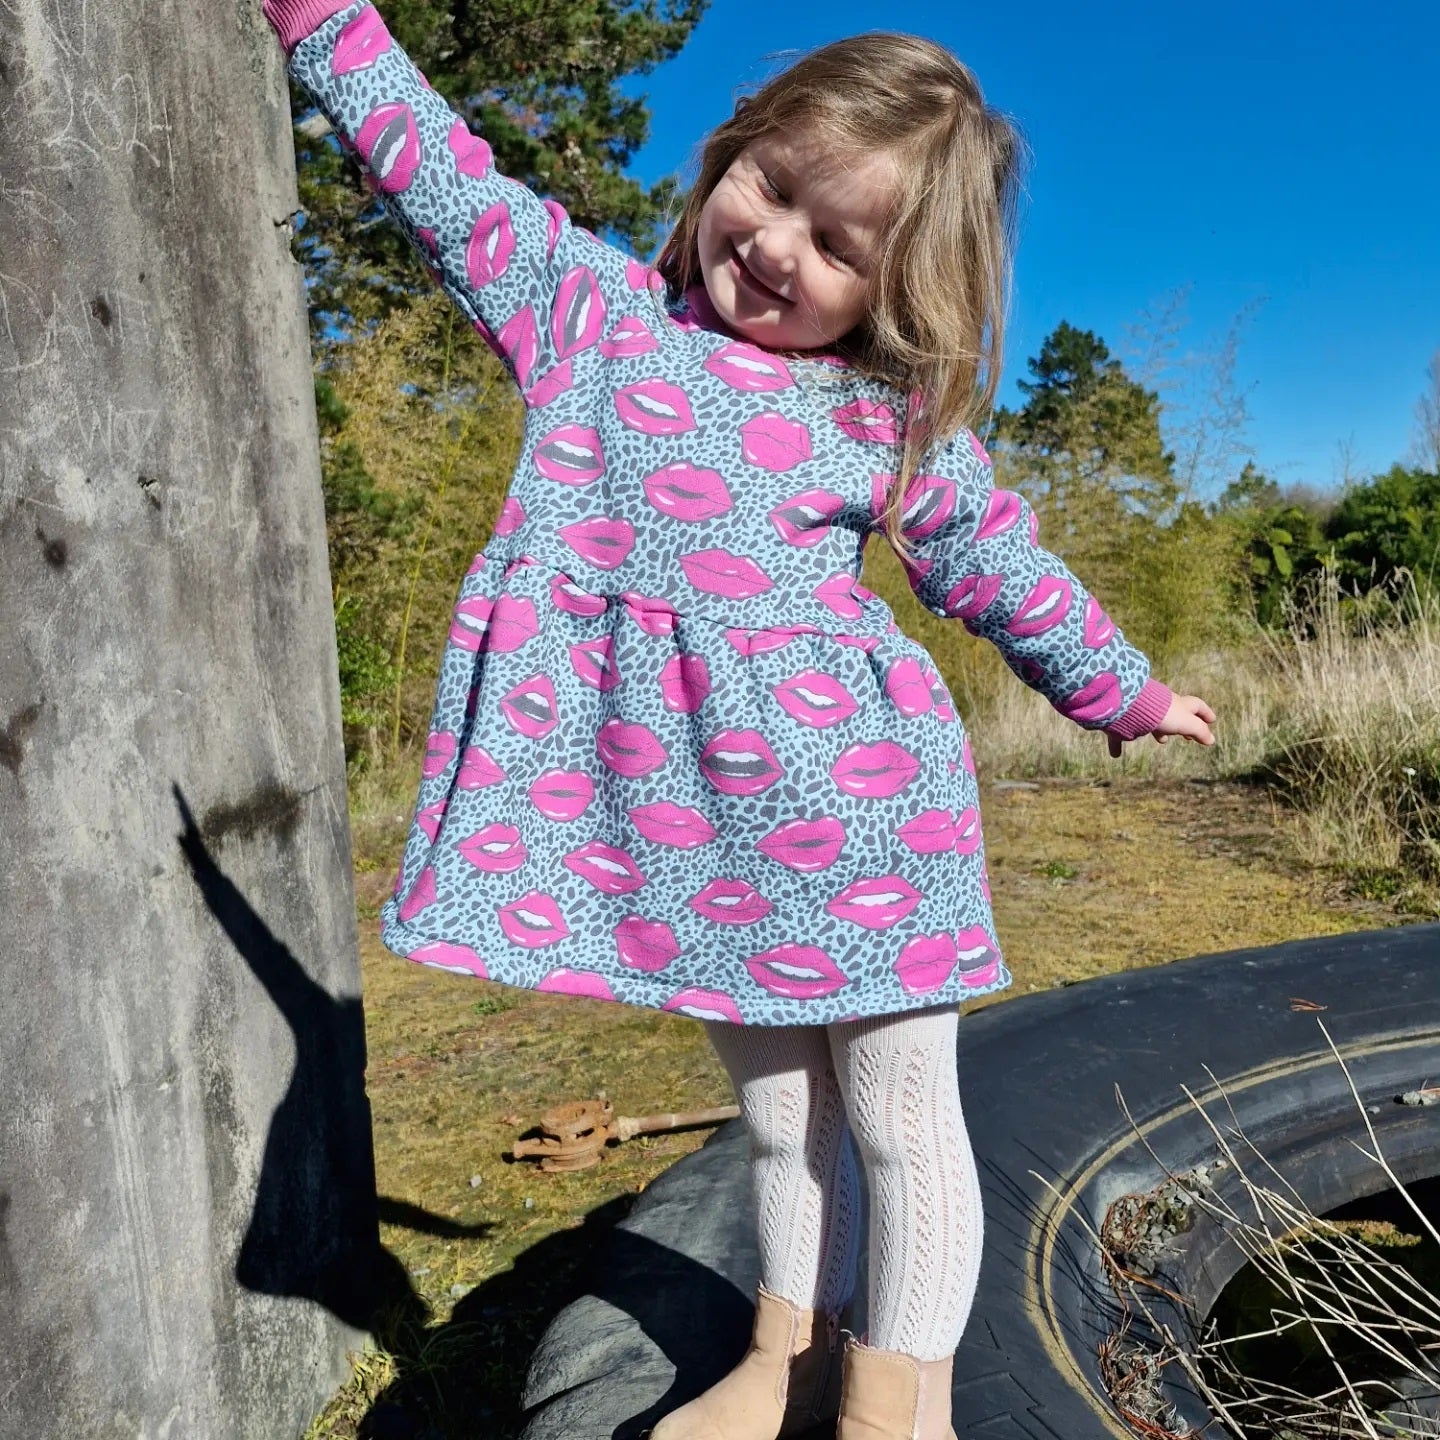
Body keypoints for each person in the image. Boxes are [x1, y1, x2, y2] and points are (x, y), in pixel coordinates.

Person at [258, 5, 1217, 1436]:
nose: (777, 248)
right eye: (771, 188)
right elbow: (443, 172)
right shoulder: (585, 317)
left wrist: (1116, 684)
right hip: (695, 831)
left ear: (901, 288)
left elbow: (995, 557)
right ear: (729, 156)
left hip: (867, 812)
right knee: (782, 1122)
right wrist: (326, 25)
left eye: (840, 246)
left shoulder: (883, 419)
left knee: (897, 1120)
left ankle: (900, 1406)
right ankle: (786, 1360)